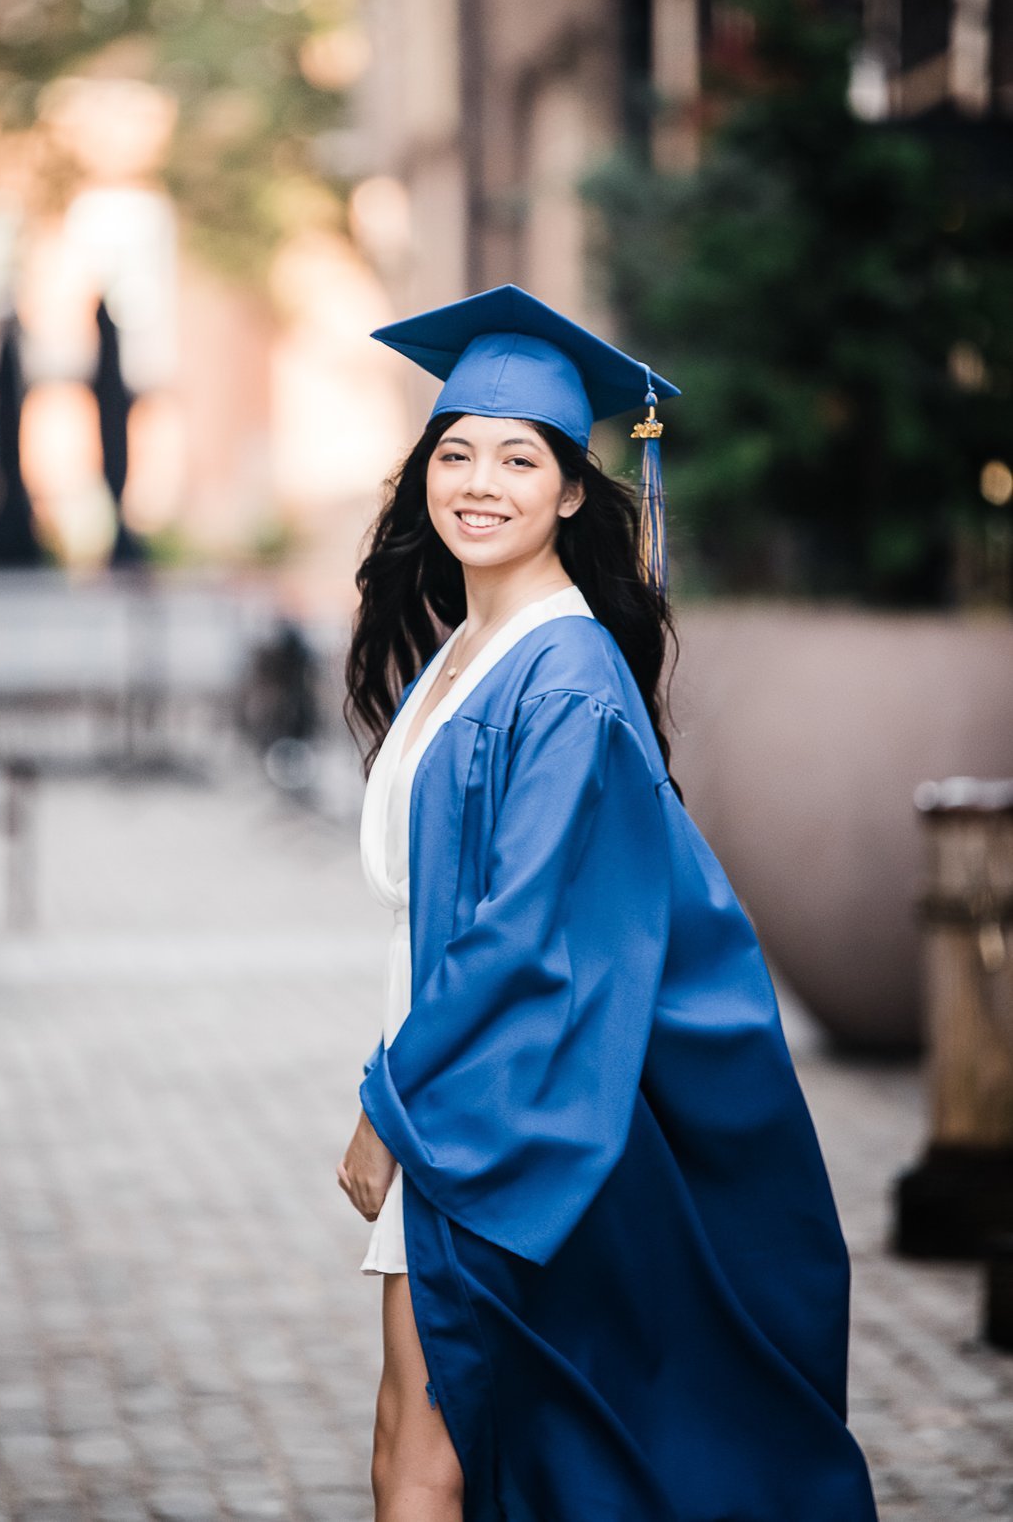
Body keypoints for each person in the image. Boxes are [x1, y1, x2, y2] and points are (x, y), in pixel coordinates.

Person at [333, 287, 876, 1522]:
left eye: (518, 458)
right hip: (470, 1087)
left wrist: (388, 1098)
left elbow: (518, 928)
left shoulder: (563, 675)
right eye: (455, 451)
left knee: (423, 1449)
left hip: (494, 1105)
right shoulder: (464, 653)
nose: (479, 480)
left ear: (572, 492)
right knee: (429, 1434)